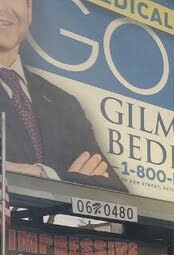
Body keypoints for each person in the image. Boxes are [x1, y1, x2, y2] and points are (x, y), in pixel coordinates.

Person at [0, 0, 125, 192]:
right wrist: (69, 179)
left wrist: (45, 175)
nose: (5, 8)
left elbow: (115, 190)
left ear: (29, 10)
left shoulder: (64, 102)